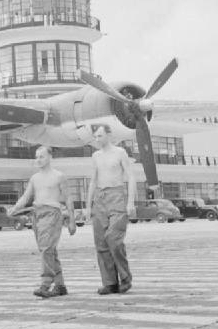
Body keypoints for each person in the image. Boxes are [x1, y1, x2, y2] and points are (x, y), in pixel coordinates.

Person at [8, 146, 76, 298]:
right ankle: (60, 285)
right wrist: (14, 208)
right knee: (49, 250)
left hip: (53, 213)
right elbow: (26, 197)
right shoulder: (34, 178)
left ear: (50, 157)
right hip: (37, 214)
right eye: (37, 157)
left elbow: (68, 198)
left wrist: (72, 221)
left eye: (42, 156)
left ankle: (45, 283)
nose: (38, 160)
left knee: (46, 248)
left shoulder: (59, 176)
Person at [86, 125, 136, 295]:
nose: (97, 139)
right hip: (99, 199)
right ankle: (110, 283)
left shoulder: (120, 152)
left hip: (117, 196)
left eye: (100, 135)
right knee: (101, 243)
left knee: (113, 238)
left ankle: (125, 277)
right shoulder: (95, 156)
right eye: (95, 136)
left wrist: (130, 202)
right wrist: (88, 206)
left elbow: (131, 177)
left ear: (109, 134)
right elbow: (93, 181)